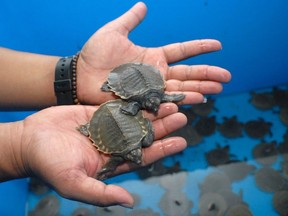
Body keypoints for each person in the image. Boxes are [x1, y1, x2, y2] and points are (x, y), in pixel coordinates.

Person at [0, 2, 231, 208]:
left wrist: (76, 75)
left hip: (128, 98)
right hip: (122, 101)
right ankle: (92, 114)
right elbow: (141, 119)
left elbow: (141, 114)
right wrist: (20, 148)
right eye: (151, 103)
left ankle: (90, 111)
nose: (152, 106)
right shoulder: (135, 134)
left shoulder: (139, 116)